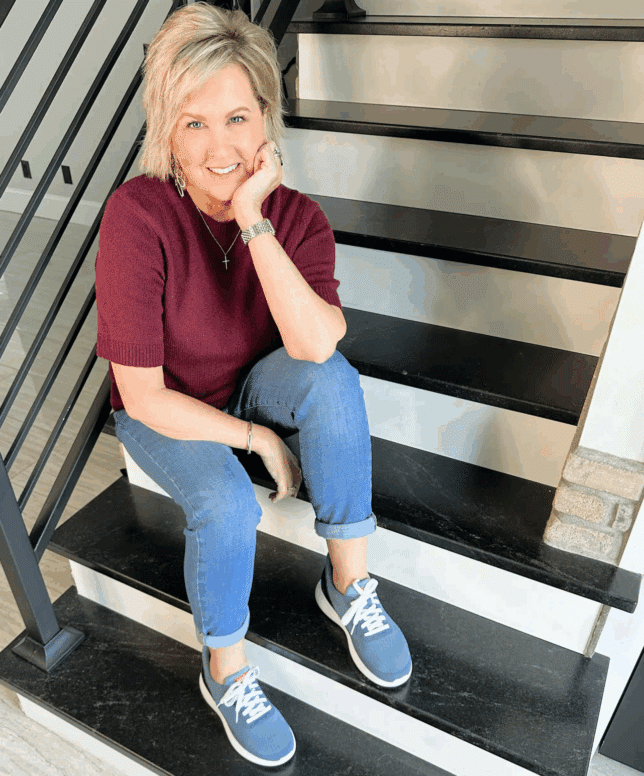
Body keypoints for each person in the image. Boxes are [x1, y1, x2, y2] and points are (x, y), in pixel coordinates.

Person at [95, 2, 411, 767]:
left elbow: (312, 345)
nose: (218, 145)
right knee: (227, 501)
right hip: (167, 405)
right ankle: (225, 668)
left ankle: (348, 585)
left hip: (251, 380)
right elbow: (141, 397)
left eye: (237, 117)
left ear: (267, 117)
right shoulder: (137, 215)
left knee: (331, 380)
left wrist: (251, 216)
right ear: (166, 130)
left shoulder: (295, 219)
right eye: (193, 123)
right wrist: (256, 437)